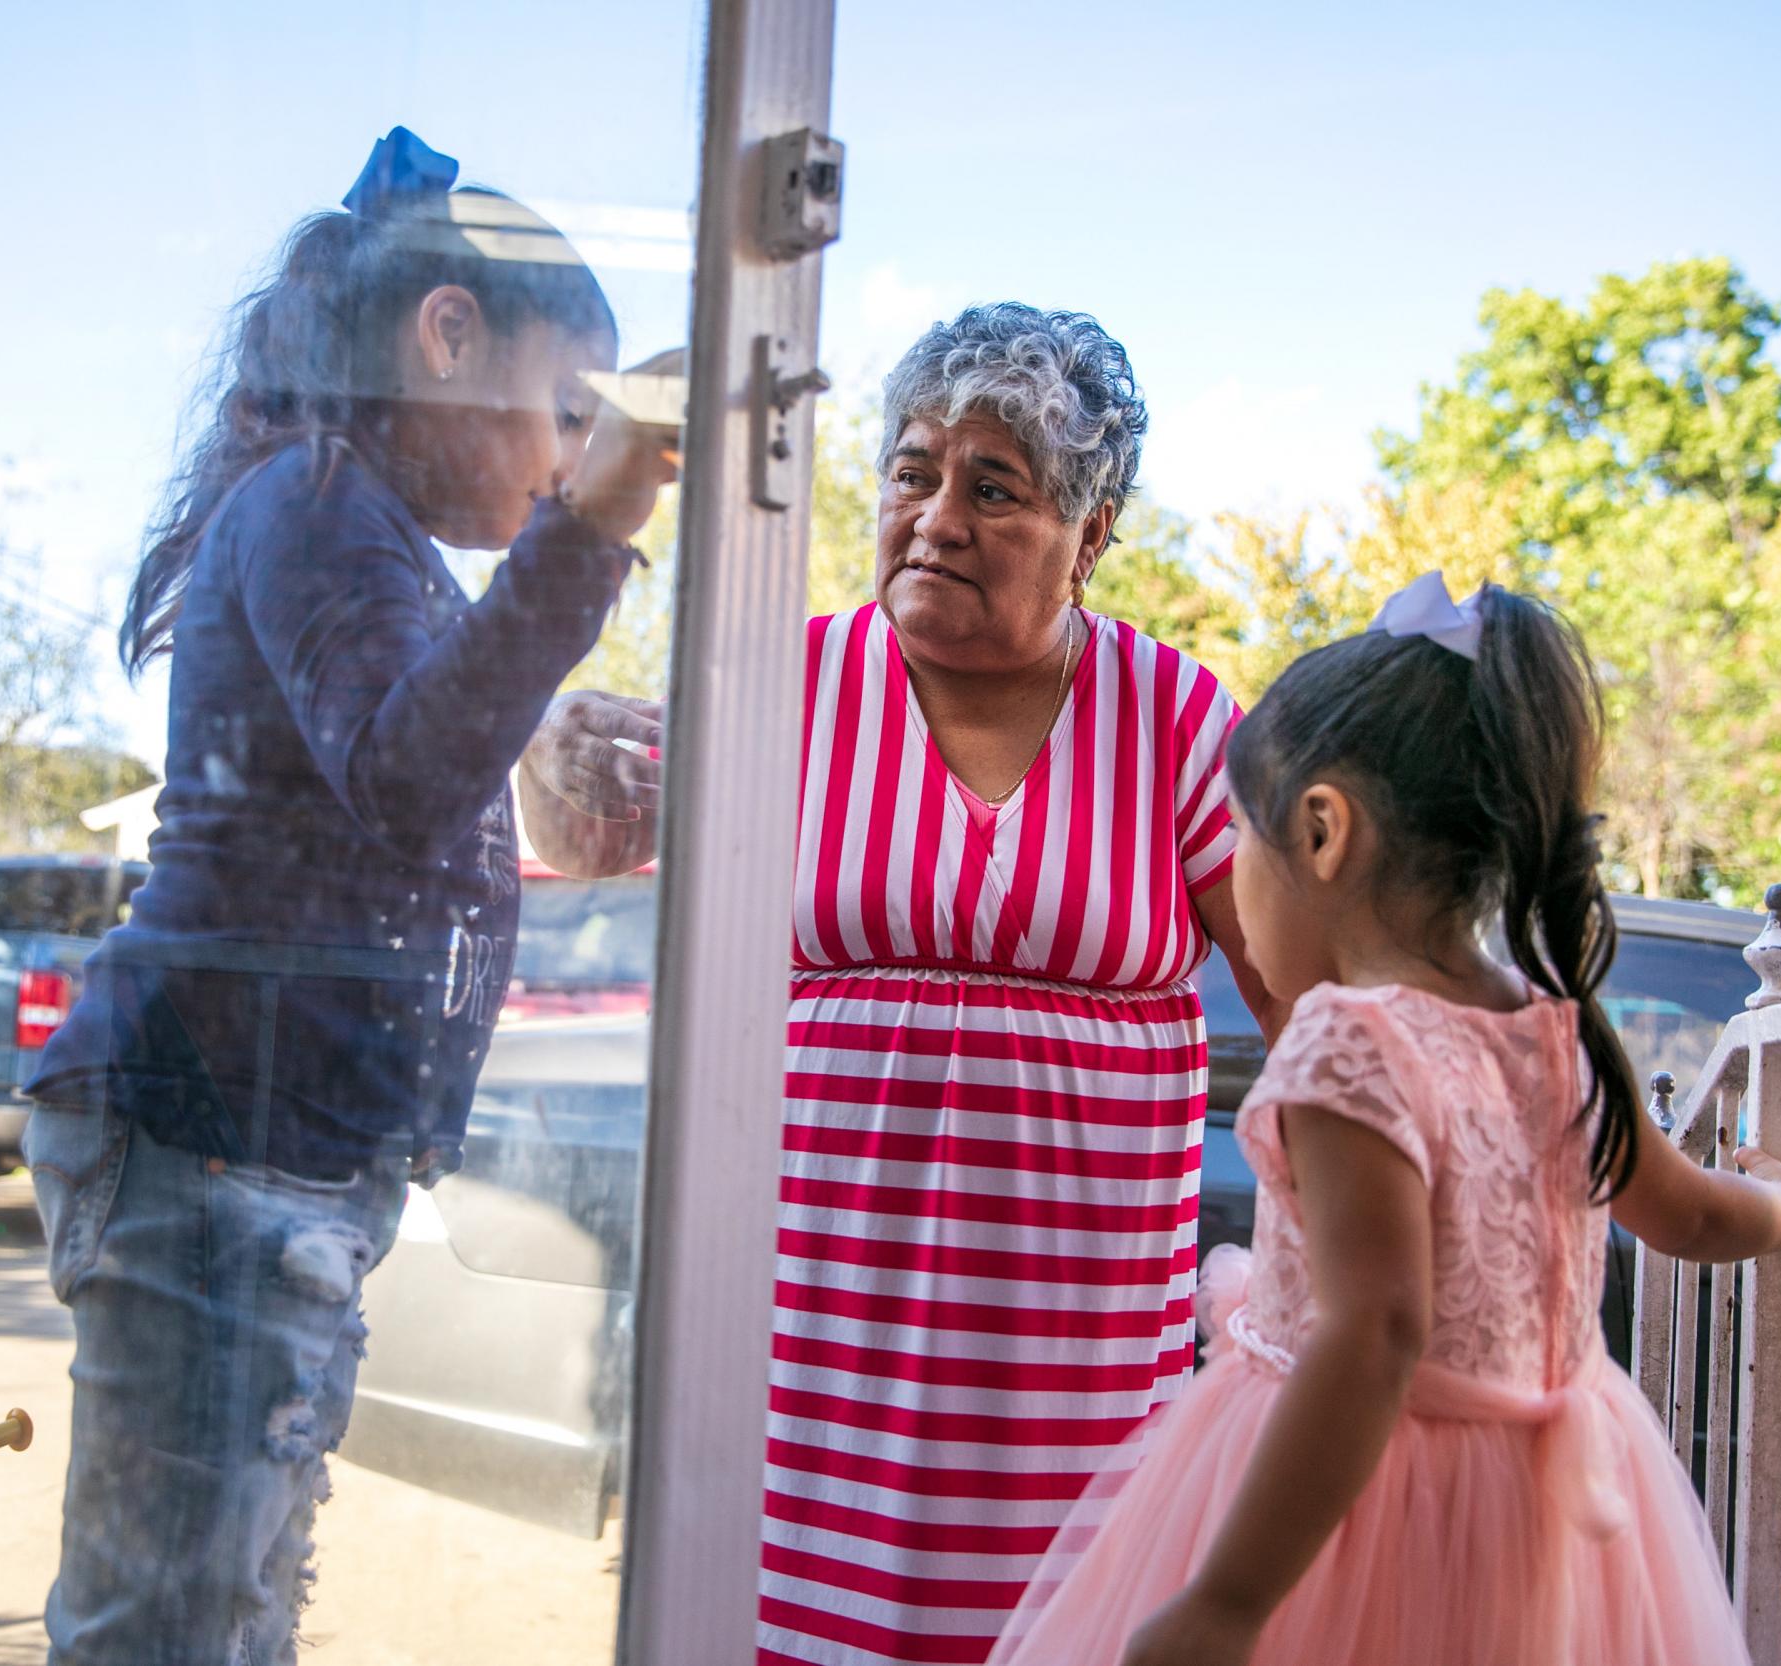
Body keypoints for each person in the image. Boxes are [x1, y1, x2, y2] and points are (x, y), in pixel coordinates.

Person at [524, 302, 1283, 1666]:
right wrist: (549, 746)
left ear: (1090, 536)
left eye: (994, 488)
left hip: (1072, 1382)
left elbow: (1303, 1008)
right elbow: (580, 844)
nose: (935, 516)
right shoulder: (785, 686)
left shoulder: (1174, 717)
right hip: (809, 1363)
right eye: (913, 470)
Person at [17, 127, 677, 1665]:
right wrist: (594, 520)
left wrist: (539, 773)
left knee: (233, 1590)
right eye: (563, 415)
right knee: (173, 1619)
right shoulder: (315, 497)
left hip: (270, 1148)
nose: (561, 463)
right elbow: (398, 770)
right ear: (448, 336)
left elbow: (370, 814)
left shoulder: (369, 533)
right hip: (213, 1139)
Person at [987, 574, 1781, 1666]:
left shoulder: (1344, 1044)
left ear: (1323, 832)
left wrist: (1229, 1601)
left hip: (1357, 1519)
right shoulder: (1554, 1031)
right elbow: (1697, 1220)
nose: (1231, 880)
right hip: (1535, 1524)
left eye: (1241, 838)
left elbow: (1376, 1329)